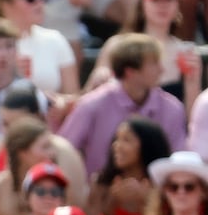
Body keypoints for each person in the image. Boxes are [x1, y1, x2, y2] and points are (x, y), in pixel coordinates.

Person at [61, 34, 187, 178]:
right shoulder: (91, 105)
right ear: (130, 72)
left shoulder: (173, 109)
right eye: (153, 64)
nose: (161, 70)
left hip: (155, 195)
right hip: (100, 195)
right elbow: (64, 150)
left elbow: (177, 160)